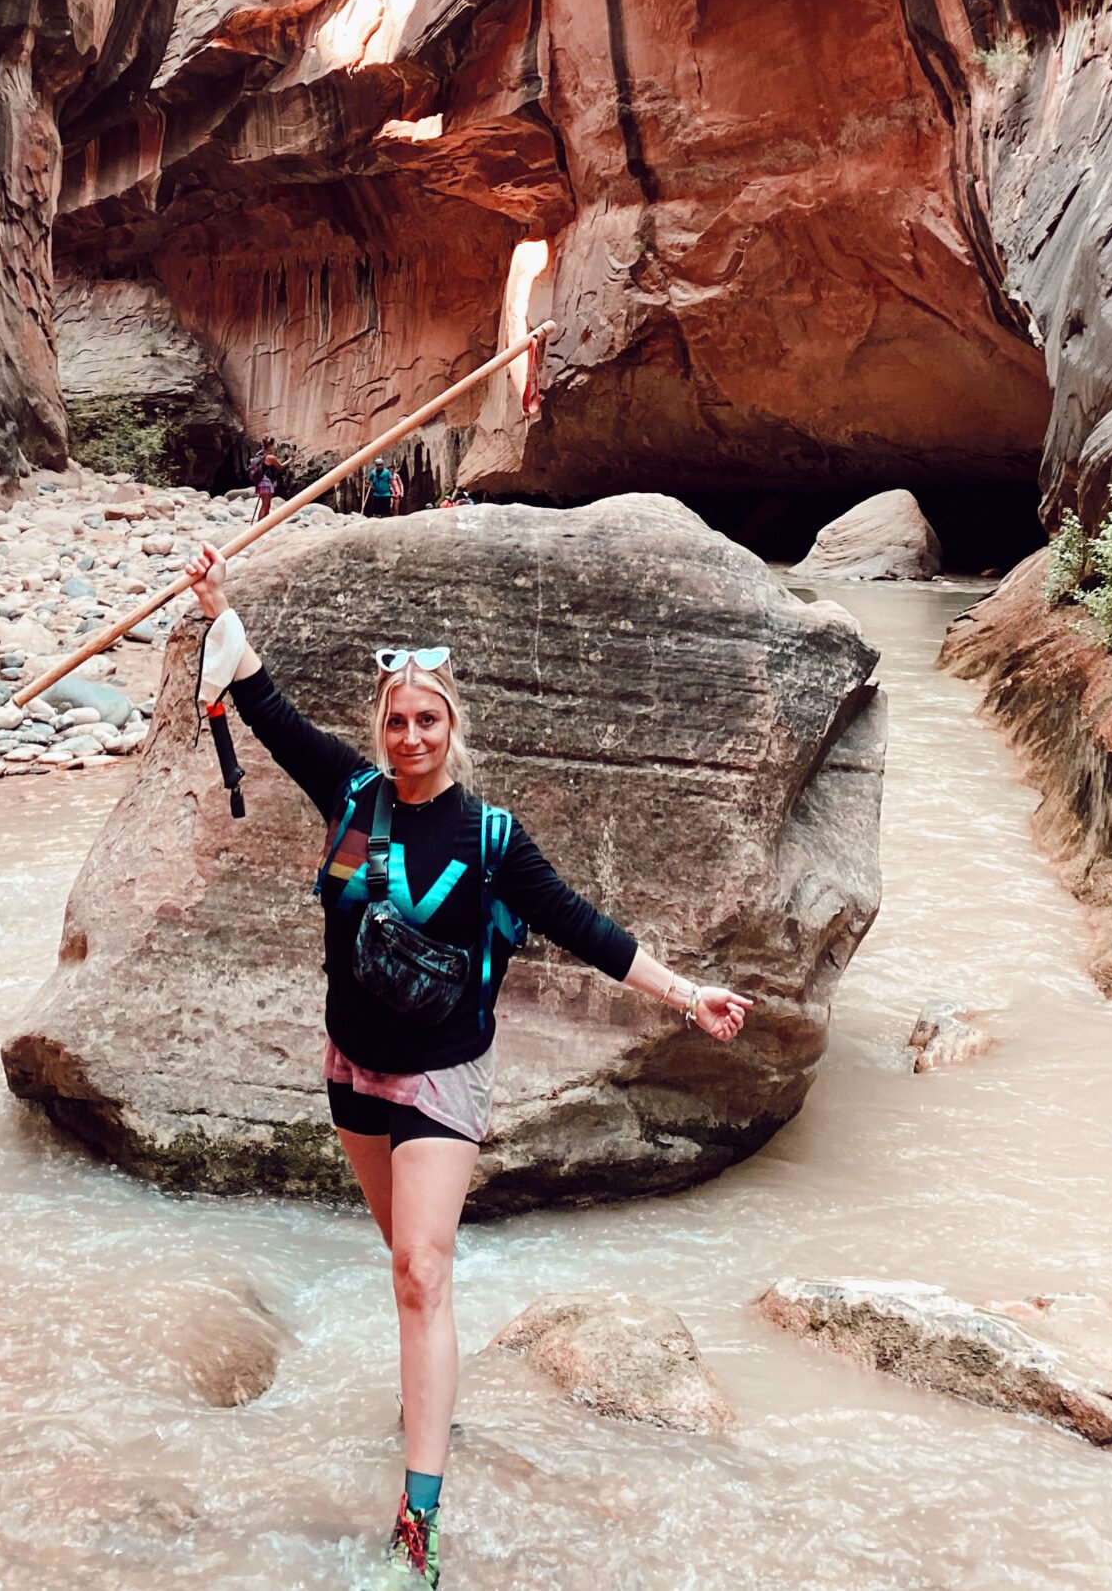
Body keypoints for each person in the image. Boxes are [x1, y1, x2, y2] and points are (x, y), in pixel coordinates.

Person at [181, 543, 750, 1587]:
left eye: (426, 720)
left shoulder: (490, 838)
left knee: (418, 1268)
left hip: (442, 1075)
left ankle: (418, 1516)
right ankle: (427, 1388)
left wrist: (687, 993)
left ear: (452, 729)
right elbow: (263, 704)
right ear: (381, 729)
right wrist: (218, 606)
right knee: (404, 1263)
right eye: (395, 720)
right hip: (351, 1068)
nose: (408, 736)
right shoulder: (351, 797)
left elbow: (586, 928)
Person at [248, 435, 283, 520]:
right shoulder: (270, 457)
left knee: (265, 504)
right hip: (266, 482)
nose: (275, 447)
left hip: (259, 482)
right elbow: (280, 467)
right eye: (274, 445)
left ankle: (265, 524)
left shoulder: (259, 454)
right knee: (265, 505)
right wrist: (291, 459)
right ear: (271, 446)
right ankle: (261, 525)